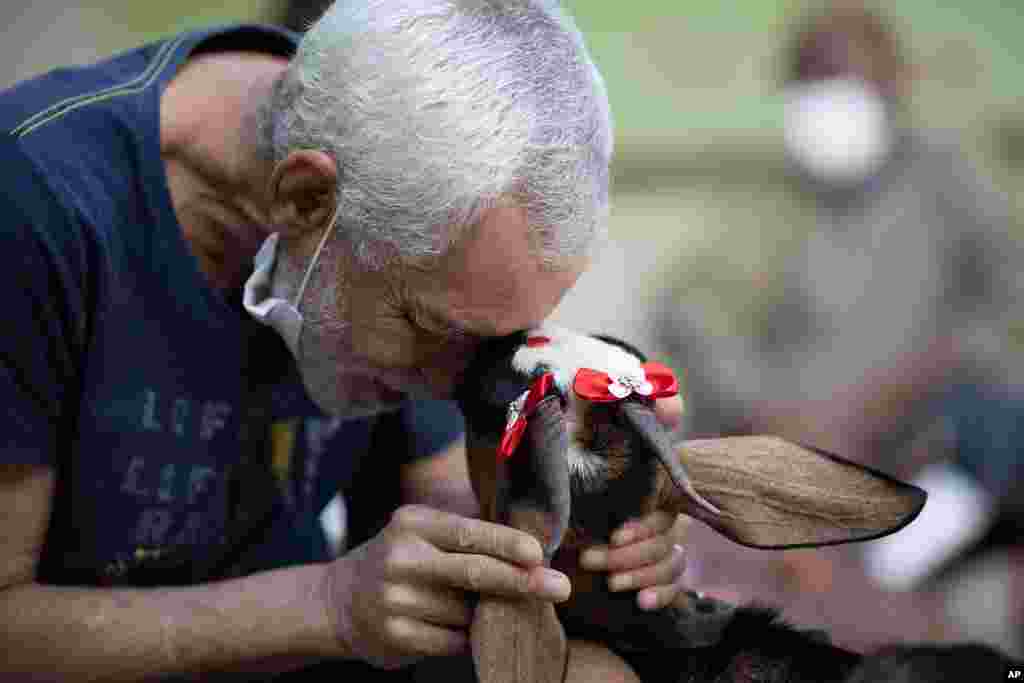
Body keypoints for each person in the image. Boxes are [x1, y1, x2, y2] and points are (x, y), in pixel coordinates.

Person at [0, 2, 691, 680]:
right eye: (434, 328)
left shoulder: (404, 222)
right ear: (304, 198)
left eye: (498, 338)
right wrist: (324, 604)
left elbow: (442, 498)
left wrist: (577, 546)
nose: (456, 381)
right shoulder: (38, 209)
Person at [654, 0, 1023, 653]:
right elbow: (696, 320)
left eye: (848, 80)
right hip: (791, 446)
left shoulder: (949, 187)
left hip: (932, 443)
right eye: (814, 78)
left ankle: (881, 567)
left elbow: (1005, 308)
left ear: (895, 85)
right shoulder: (764, 203)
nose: (831, 101)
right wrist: (776, 414)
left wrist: (908, 384)